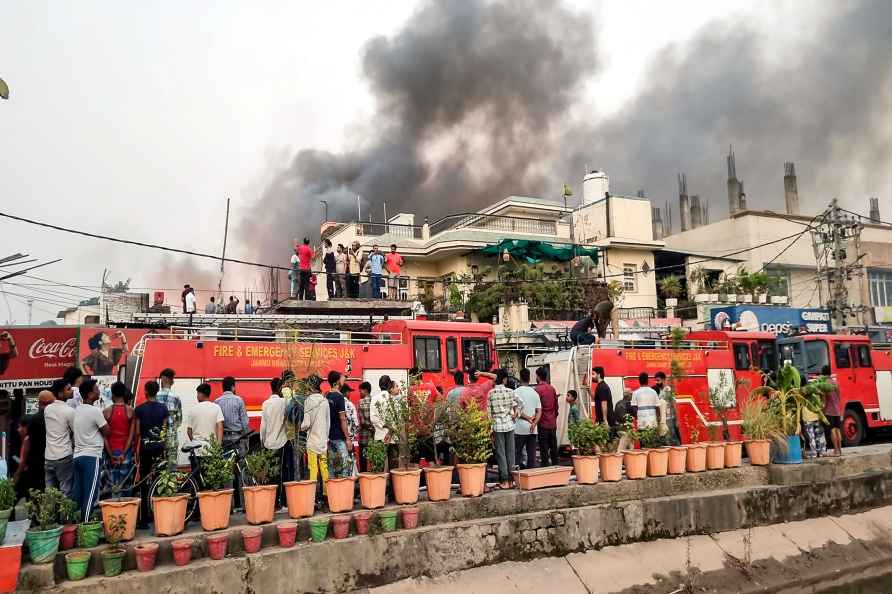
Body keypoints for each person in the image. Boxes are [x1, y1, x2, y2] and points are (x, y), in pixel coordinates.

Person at [72, 378, 108, 521]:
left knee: (78, 493)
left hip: (77, 456)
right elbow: (107, 431)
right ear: (89, 394)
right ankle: (85, 526)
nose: (99, 391)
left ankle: (73, 524)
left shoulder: (77, 410)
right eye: (96, 389)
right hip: (91, 457)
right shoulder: (95, 411)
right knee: (90, 493)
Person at [134, 380, 168, 528]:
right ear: (157, 391)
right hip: (159, 447)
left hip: (145, 448)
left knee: (143, 481)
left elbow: (136, 432)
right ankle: (160, 514)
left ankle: (144, 517)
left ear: (146, 391)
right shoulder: (163, 409)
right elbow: (164, 431)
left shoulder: (139, 409)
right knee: (160, 480)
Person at [217, 376, 250, 507]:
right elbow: (245, 423)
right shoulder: (239, 400)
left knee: (227, 473)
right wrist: (246, 439)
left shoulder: (217, 402)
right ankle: (244, 504)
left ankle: (228, 506)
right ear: (233, 387)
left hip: (225, 440)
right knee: (242, 471)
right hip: (238, 439)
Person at [488, 369, 520, 489]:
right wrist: (516, 413)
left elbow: (489, 413)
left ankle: (504, 481)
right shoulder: (510, 391)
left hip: (497, 426)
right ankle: (512, 481)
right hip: (510, 425)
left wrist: (490, 429)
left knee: (501, 454)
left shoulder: (491, 393)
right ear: (504, 379)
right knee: (511, 453)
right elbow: (520, 403)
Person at [260, 377, 290, 507]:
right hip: (281, 442)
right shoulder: (284, 402)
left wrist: (263, 441)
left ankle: (271, 503)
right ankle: (281, 502)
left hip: (268, 443)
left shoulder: (265, 403)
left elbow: (263, 426)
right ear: (279, 389)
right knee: (281, 473)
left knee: (271, 473)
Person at [103, 381, 136, 496]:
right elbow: (131, 435)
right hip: (125, 452)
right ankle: (127, 511)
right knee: (126, 483)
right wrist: (124, 452)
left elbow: (105, 437)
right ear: (124, 393)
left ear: (112, 394)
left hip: (111, 451)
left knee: (111, 483)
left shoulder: (106, 412)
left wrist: (110, 454)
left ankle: (112, 510)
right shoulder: (130, 411)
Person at [44, 381, 75, 497]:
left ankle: (49, 515)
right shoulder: (70, 411)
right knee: (66, 491)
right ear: (61, 394)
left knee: (50, 493)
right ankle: (65, 516)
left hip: (49, 456)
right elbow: (75, 432)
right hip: (64, 456)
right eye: (68, 389)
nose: (72, 390)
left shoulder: (48, 409)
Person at [300, 381, 330, 500]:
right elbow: (328, 424)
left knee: (313, 469)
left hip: (312, 441)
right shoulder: (325, 401)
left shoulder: (308, 401)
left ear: (310, 388)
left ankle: (313, 498)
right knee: (324, 468)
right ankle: (327, 496)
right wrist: (325, 437)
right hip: (323, 441)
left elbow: (306, 423)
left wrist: (300, 427)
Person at [185, 383, 224, 461]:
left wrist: (194, 443)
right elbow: (220, 427)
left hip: (197, 451)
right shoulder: (216, 408)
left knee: (196, 472)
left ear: (201, 394)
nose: (197, 396)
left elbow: (189, 431)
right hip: (211, 449)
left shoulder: (193, 409)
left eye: (197, 394)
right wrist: (218, 446)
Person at [325, 371, 351, 478]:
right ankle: (344, 489)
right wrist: (347, 438)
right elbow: (342, 419)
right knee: (345, 464)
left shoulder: (327, 395)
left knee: (331, 465)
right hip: (339, 437)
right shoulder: (339, 397)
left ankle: (332, 490)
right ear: (337, 382)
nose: (343, 380)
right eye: (342, 378)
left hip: (329, 436)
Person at [513, 369, 541, 470]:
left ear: (520, 378)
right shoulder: (535, 393)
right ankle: (531, 478)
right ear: (529, 379)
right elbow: (539, 411)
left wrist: (527, 418)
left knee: (517, 454)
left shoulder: (515, 392)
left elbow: (515, 410)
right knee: (531, 456)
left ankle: (517, 478)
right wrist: (534, 423)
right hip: (532, 429)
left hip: (518, 429)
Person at [156, 368, 183, 467]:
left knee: (158, 467)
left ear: (162, 379)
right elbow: (179, 420)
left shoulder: (155, 396)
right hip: (172, 438)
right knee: (171, 468)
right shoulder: (176, 398)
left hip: (157, 438)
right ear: (171, 380)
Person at [533, 367, 560, 467]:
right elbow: (556, 405)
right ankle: (556, 466)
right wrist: (554, 416)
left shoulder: (537, 390)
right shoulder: (552, 388)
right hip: (552, 422)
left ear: (538, 377)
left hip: (542, 422)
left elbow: (536, 408)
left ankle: (546, 468)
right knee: (553, 447)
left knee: (543, 448)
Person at [14, 414, 44, 501]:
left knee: (15, 497)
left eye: (20, 426)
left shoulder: (27, 440)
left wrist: (17, 474)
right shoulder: (38, 438)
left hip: (27, 476)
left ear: (26, 427)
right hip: (37, 475)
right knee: (34, 500)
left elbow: (23, 461)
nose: (18, 429)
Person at [821, 365, 843, 457]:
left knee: (832, 430)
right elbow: (839, 396)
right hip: (837, 410)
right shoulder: (835, 383)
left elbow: (824, 401)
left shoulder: (824, 384)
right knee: (838, 430)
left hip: (829, 411)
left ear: (823, 373)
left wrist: (822, 410)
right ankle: (840, 450)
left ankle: (836, 450)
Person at [654, 371, 680, 445]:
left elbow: (674, 404)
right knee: (665, 439)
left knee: (671, 439)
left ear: (664, 380)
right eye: (656, 380)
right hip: (663, 419)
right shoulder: (660, 391)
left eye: (658, 380)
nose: (656, 382)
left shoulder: (668, 390)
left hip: (670, 419)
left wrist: (677, 420)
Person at [356, 381, 374, 472]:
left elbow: (362, 421)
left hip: (363, 436)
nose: (360, 393)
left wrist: (367, 426)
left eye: (361, 391)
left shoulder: (360, 402)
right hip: (373, 436)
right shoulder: (375, 400)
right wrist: (372, 428)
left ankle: (363, 476)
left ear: (366, 390)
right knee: (373, 458)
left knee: (363, 459)